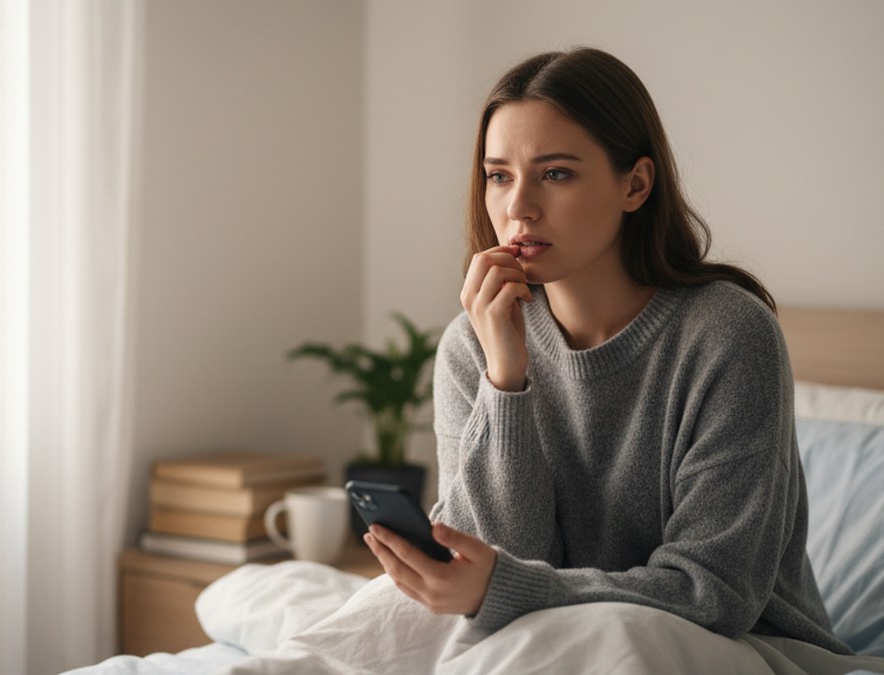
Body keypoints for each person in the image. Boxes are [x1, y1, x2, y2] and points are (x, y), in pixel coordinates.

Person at [361, 47, 852, 655]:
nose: (518, 208)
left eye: (556, 173)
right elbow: (493, 578)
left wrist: (503, 588)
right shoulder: (473, 344)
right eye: (499, 175)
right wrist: (505, 381)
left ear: (636, 184)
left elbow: (716, 592)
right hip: (538, 641)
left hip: (733, 646)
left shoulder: (729, 335)